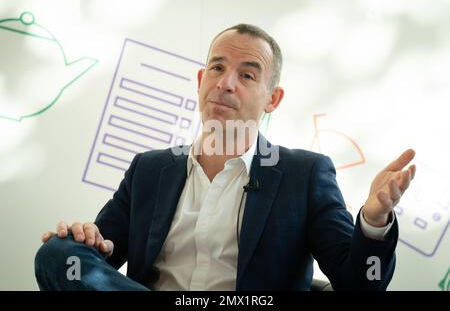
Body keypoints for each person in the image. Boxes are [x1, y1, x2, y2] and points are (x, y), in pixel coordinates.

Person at [34, 24, 416, 291]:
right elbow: (99, 260)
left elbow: (360, 283)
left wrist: (375, 220)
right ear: (201, 82)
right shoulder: (149, 170)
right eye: (217, 68)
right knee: (58, 254)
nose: (225, 83)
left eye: (247, 75)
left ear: (272, 99)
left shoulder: (306, 174)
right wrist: (83, 240)